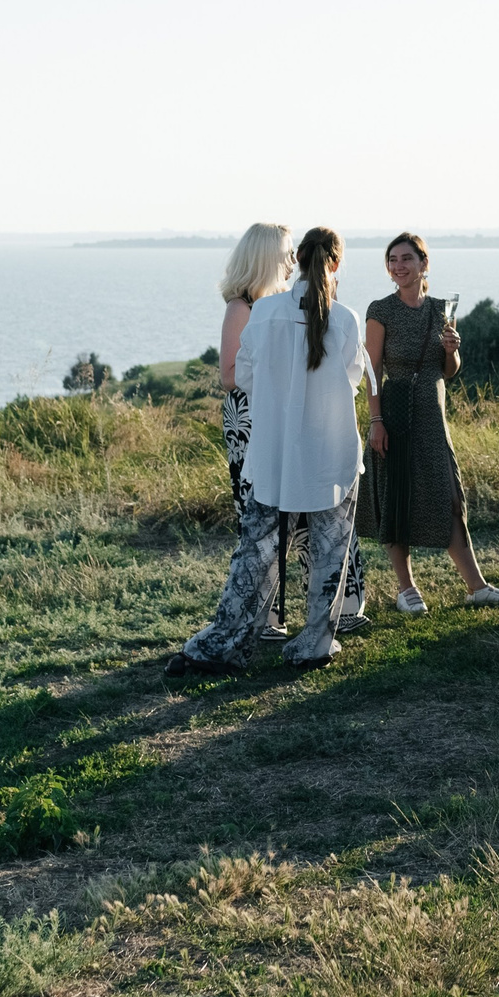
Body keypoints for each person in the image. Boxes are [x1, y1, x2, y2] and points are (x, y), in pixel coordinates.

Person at [170, 227, 371, 676]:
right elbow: (353, 381)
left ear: (296, 259)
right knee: (329, 549)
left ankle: (226, 643)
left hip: (273, 451)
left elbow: (243, 375)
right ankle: (315, 643)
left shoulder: (264, 313)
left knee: (257, 547)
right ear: (335, 264)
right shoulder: (346, 319)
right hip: (331, 453)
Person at [361, 231, 499, 613]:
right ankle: (406, 589)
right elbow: (372, 370)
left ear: (423, 264)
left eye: (406, 259)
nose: (398, 266)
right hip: (394, 416)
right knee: (396, 495)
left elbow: (447, 371)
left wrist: (453, 352)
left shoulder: (440, 308)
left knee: (448, 497)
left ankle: (477, 587)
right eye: (393, 260)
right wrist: (376, 421)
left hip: (433, 419)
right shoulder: (380, 310)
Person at [216, 222, 303, 639]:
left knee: (287, 512)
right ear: (267, 256)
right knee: (257, 514)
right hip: (249, 421)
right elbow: (229, 376)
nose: (293, 261)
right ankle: (263, 617)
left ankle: (276, 612)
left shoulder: (280, 305)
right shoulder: (242, 307)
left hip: (275, 414)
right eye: (287, 253)